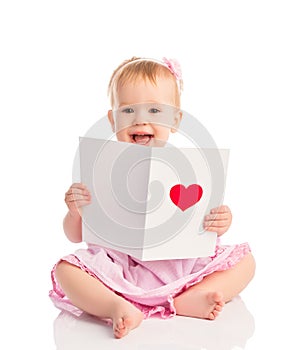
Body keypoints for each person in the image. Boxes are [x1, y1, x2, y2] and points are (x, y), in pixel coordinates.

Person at [49, 57, 256, 339]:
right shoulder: (100, 166)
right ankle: (115, 305)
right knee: (66, 269)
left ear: (175, 120)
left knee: (246, 262)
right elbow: (75, 235)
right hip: (118, 270)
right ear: (113, 119)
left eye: (155, 110)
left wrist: (221, 221)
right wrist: (75, 212)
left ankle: (193, 296)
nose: (140, 119)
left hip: (180, 266)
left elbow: (205, 223)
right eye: (129, 110)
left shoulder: (192, 166)